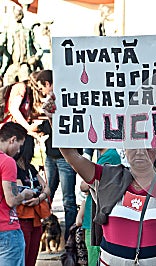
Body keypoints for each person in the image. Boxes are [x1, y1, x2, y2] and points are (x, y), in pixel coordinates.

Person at [43, 93, 156, 264]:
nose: (140, 152)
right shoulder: (106, 178)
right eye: (133, 146)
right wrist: (56, 123)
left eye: (147, 146)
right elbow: (74, 158)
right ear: (124, 149)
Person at [36, 69, 78, 241]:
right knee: (46, 195)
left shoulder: (66, 99)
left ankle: (69, 241)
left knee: (68, 200)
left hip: (65, 156)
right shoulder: (48, 101)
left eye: (41, 88)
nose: (41, 91)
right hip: (51, 154)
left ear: (48, 84)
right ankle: (45, 234)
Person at [76, 148, 121, 266]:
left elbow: (85, 185)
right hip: (94, 215)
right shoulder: (106, 154)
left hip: (96, 218)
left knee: (94, 258)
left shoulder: (109, 155)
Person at [0, 122, 36, 265]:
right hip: (7, 230)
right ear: (12, 140)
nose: (19, 150)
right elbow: (11, 200)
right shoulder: (7, 162)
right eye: (19, 145)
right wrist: (25, 195)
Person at [14, 135, 51, 266]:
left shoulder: (31, 168)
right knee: (23, 256)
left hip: (36, 218)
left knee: (32, 256)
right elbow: (21, 192)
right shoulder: (13, 167)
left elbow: (47, 188)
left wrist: (40, 197)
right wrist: (39, 193)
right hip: (22, 218)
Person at [0, 8, 43, 85]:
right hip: (13, 64)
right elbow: (1, 44)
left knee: (26, 85)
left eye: (19, 14)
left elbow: (39, 50)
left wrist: (35, 58)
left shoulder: (28, 31)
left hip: (24, 64)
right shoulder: (8, 31)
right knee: (7, 86)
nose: (17, 16)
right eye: (16, 14)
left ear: (22, 15)